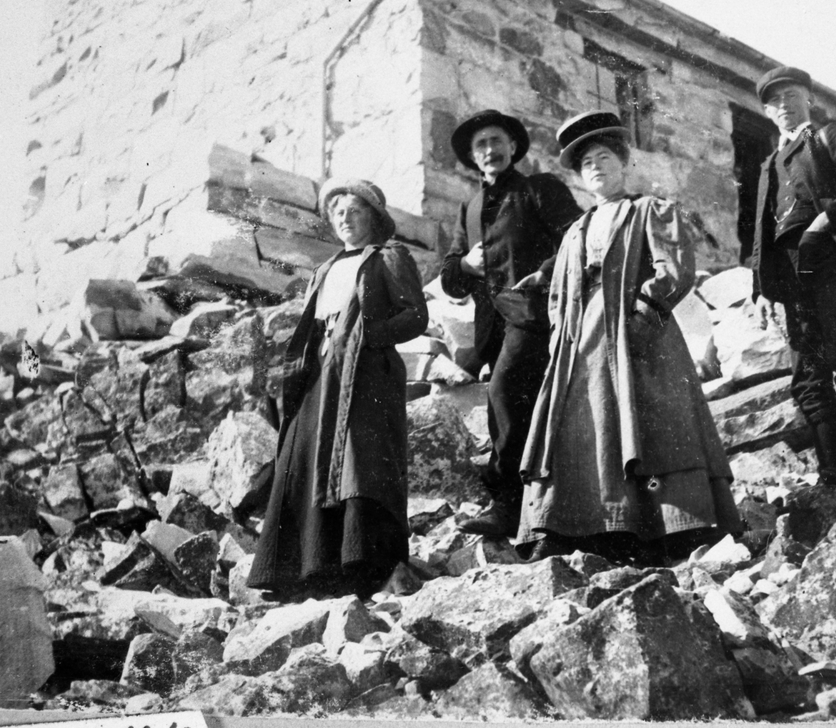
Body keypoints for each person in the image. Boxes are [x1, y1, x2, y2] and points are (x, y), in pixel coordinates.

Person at [515, 111, 744, 566]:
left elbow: (673, 270)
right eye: (586, 164)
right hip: (582, 344)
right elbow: (560, 296)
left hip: (639, 337)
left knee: (653, 423)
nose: (596, 167)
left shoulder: (647, 212)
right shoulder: (574, 234)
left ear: (623, 165)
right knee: (582, 428)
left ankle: (672, 528)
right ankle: (580, 527)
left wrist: (642, 315)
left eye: (604, 157)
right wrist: (564, 337)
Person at [247, 178, 428, 601]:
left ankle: (362, 564)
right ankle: (305, 570)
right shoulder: (325, 268)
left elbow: (415, 316)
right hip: (322, 370)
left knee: (358, 463)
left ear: (374, 218)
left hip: (366, 373)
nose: (346, 219)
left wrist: (371, 336)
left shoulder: (389, 258)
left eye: (356, 211)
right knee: (306, 457)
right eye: (339, 213)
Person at [440, 110, 584, 537]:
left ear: (513, 147)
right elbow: (450, 280)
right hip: (493, 328)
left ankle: (509, 507)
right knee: (507, 409)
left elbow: (576, 236)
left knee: (505, 395)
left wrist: (544, 271)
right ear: (472, 156)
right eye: (481, 145)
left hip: (538, 316)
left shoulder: (539, 189)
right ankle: (526, 508)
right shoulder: (468, 208)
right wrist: (466, 262)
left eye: (497, 141)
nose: (490, 150)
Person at [748, 66, 836, 490]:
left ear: (807, 98)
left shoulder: (831, 136)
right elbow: (760, 230)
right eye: (774, 100)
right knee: (807, 371)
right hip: (790, 274)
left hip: (833, 259)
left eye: (791, 95)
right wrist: (760, 288)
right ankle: (831, 468)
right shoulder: (769, 163)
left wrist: (825, 220)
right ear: (767, 112)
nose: (784, 105)